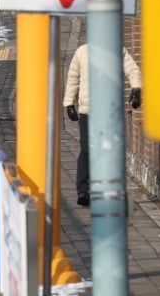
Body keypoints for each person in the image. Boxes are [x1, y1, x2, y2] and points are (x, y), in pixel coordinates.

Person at [63, 43, 142, 207]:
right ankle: (83, 191)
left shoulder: (117, 49)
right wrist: (69, 103)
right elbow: (73, 79)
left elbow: (132, 69)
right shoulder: (81, 52)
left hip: (110, 111)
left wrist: (136, 88)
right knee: (86, 150)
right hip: (88, 111)